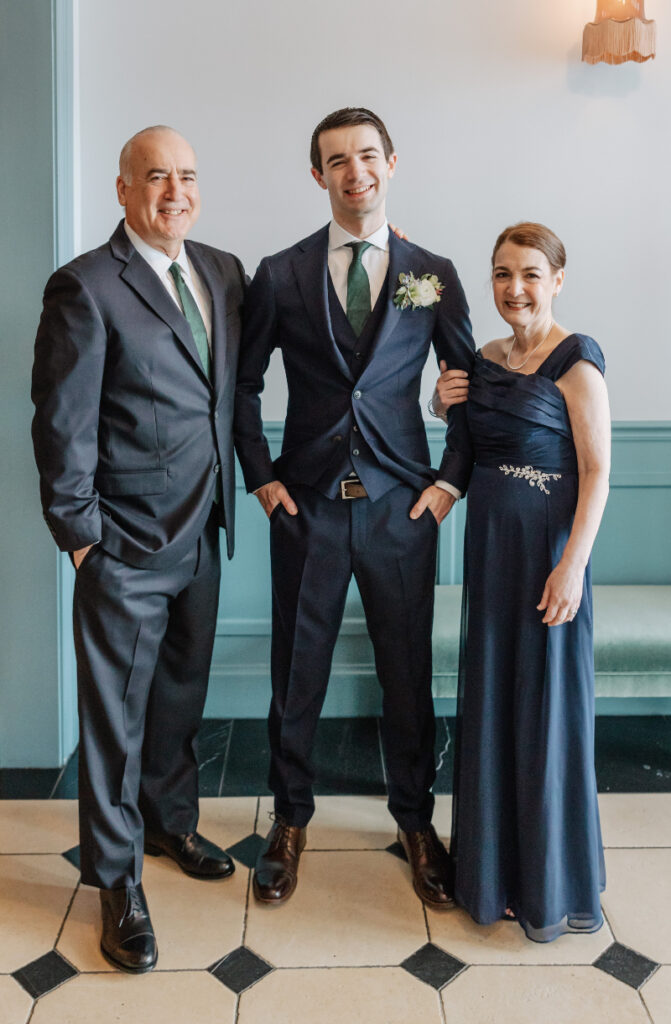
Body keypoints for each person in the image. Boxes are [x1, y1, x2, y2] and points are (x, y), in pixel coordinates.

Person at [234, 107, 475, 908]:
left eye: (367, 156)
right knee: (295, 673)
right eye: (336, 160)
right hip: (305, 505)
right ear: (318, 175)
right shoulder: (280, 272)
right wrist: (262, 479)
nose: (354, 172)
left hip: (402, 508)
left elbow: (465, 384)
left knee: (406, 675)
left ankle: (415, 823)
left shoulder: (431, 271)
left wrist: (447, 483)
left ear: (390, 164)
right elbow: (242, 385)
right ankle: (289, 821)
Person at [31, 126, 246, 973]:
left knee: (178, 699)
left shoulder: (222, 272)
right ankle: (116, 883)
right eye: (155, 176)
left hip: (203, 536)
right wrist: (83, 543)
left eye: (186, 176)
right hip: (123, 546)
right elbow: (62, 424)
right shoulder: (85, 286)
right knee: (115, 723)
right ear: (123, 189)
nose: (174, 192)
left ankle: (169, 823)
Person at [434, 222, 610, 942]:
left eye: (531, 274)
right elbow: (470, 445)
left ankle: (545, 880)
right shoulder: (483, 359)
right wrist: (442, 404)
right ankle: (493, 872)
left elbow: (597, 472)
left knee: (544, 708)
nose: (515, 288)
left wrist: (571, 566)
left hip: (547, 559)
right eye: (503, 274)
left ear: (556, 280)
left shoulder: (577, 361)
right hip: (492, 557)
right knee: (494, 703)